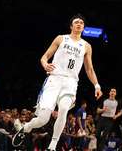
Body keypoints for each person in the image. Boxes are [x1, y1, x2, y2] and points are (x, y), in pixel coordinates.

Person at [12, 15, 103, 151]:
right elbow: (45, 57)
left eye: (81, 22)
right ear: (71, 26)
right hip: (54, 79)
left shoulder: (86, 46)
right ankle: (26, 127)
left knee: (64, 109)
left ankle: (52, 146)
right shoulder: (61, 38)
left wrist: (97, 85)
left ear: (83, 27)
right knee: (43, 119)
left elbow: (89, 69)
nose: (79, 23)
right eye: (76, 22)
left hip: (71, 82)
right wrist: (45, 64)